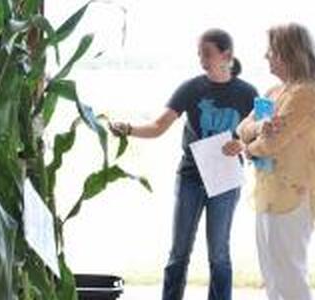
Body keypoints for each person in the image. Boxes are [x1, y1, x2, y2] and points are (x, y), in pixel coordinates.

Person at [110, 28, 258, 300]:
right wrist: (128, 128)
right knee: (179, 253)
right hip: (190, 178)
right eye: (199, 53)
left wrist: (244, 145)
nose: (201, 58)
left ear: (226, 55)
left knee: (219, 254)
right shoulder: (191, 88)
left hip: (225, 181)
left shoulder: (248, 93)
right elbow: (158, 126)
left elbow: (260, 137)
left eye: (207, 53)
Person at [237, 22, 315, 300]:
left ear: (289, 53)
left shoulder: (308, 92)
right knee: (272, 276)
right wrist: (259, 128)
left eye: (272, 51)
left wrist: (251, 147)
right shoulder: (273, 92)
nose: (266, 56)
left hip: (295, 194)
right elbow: (243, 129)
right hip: (268, 192)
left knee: (290, 276)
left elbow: (271, 144)